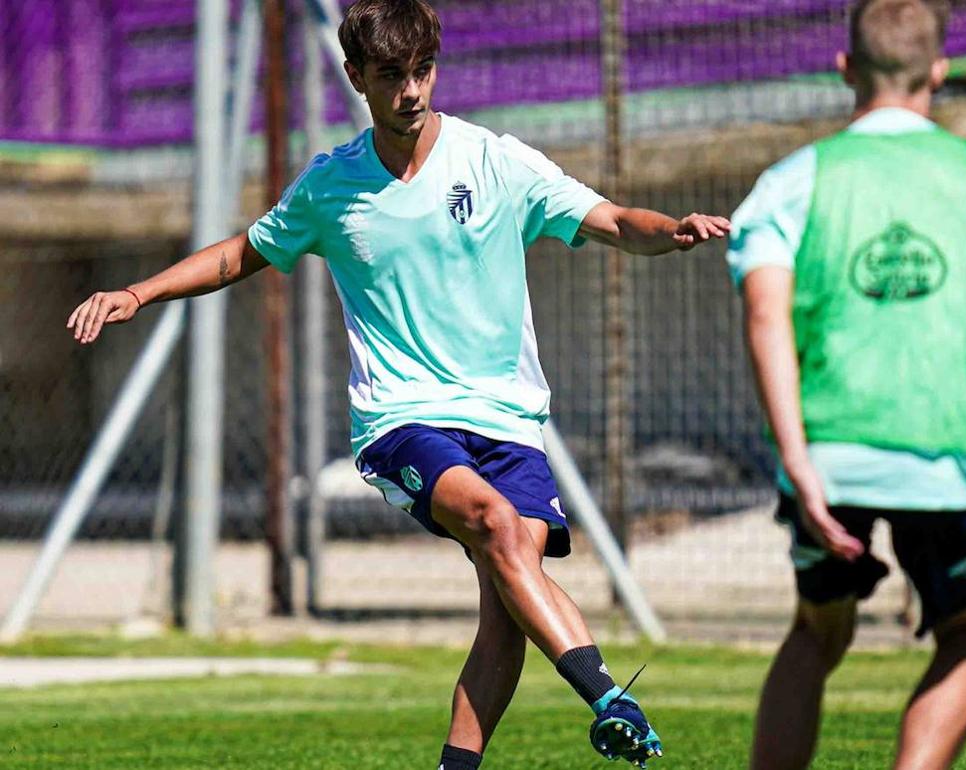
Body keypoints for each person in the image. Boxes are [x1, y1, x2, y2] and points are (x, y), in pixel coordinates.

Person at [67, 2, 731, 767]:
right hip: (401, 419)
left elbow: (611, 220)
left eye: (422, 70)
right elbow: (240, 253)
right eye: (391, 76)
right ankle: (610, 699)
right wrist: (137, 294)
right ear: (357, 78)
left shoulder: (496, 162)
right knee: (493, 522)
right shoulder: (331, 186)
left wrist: (670, 231)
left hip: (509, 420)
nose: (412, 90)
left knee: (506, 607)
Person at [726, 1, 966, 768]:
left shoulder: (789, 182)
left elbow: (766, 319)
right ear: (937, 72)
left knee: (815, 633)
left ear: (845, 69)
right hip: (951, 461)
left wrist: (796, 461)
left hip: (829, 459)